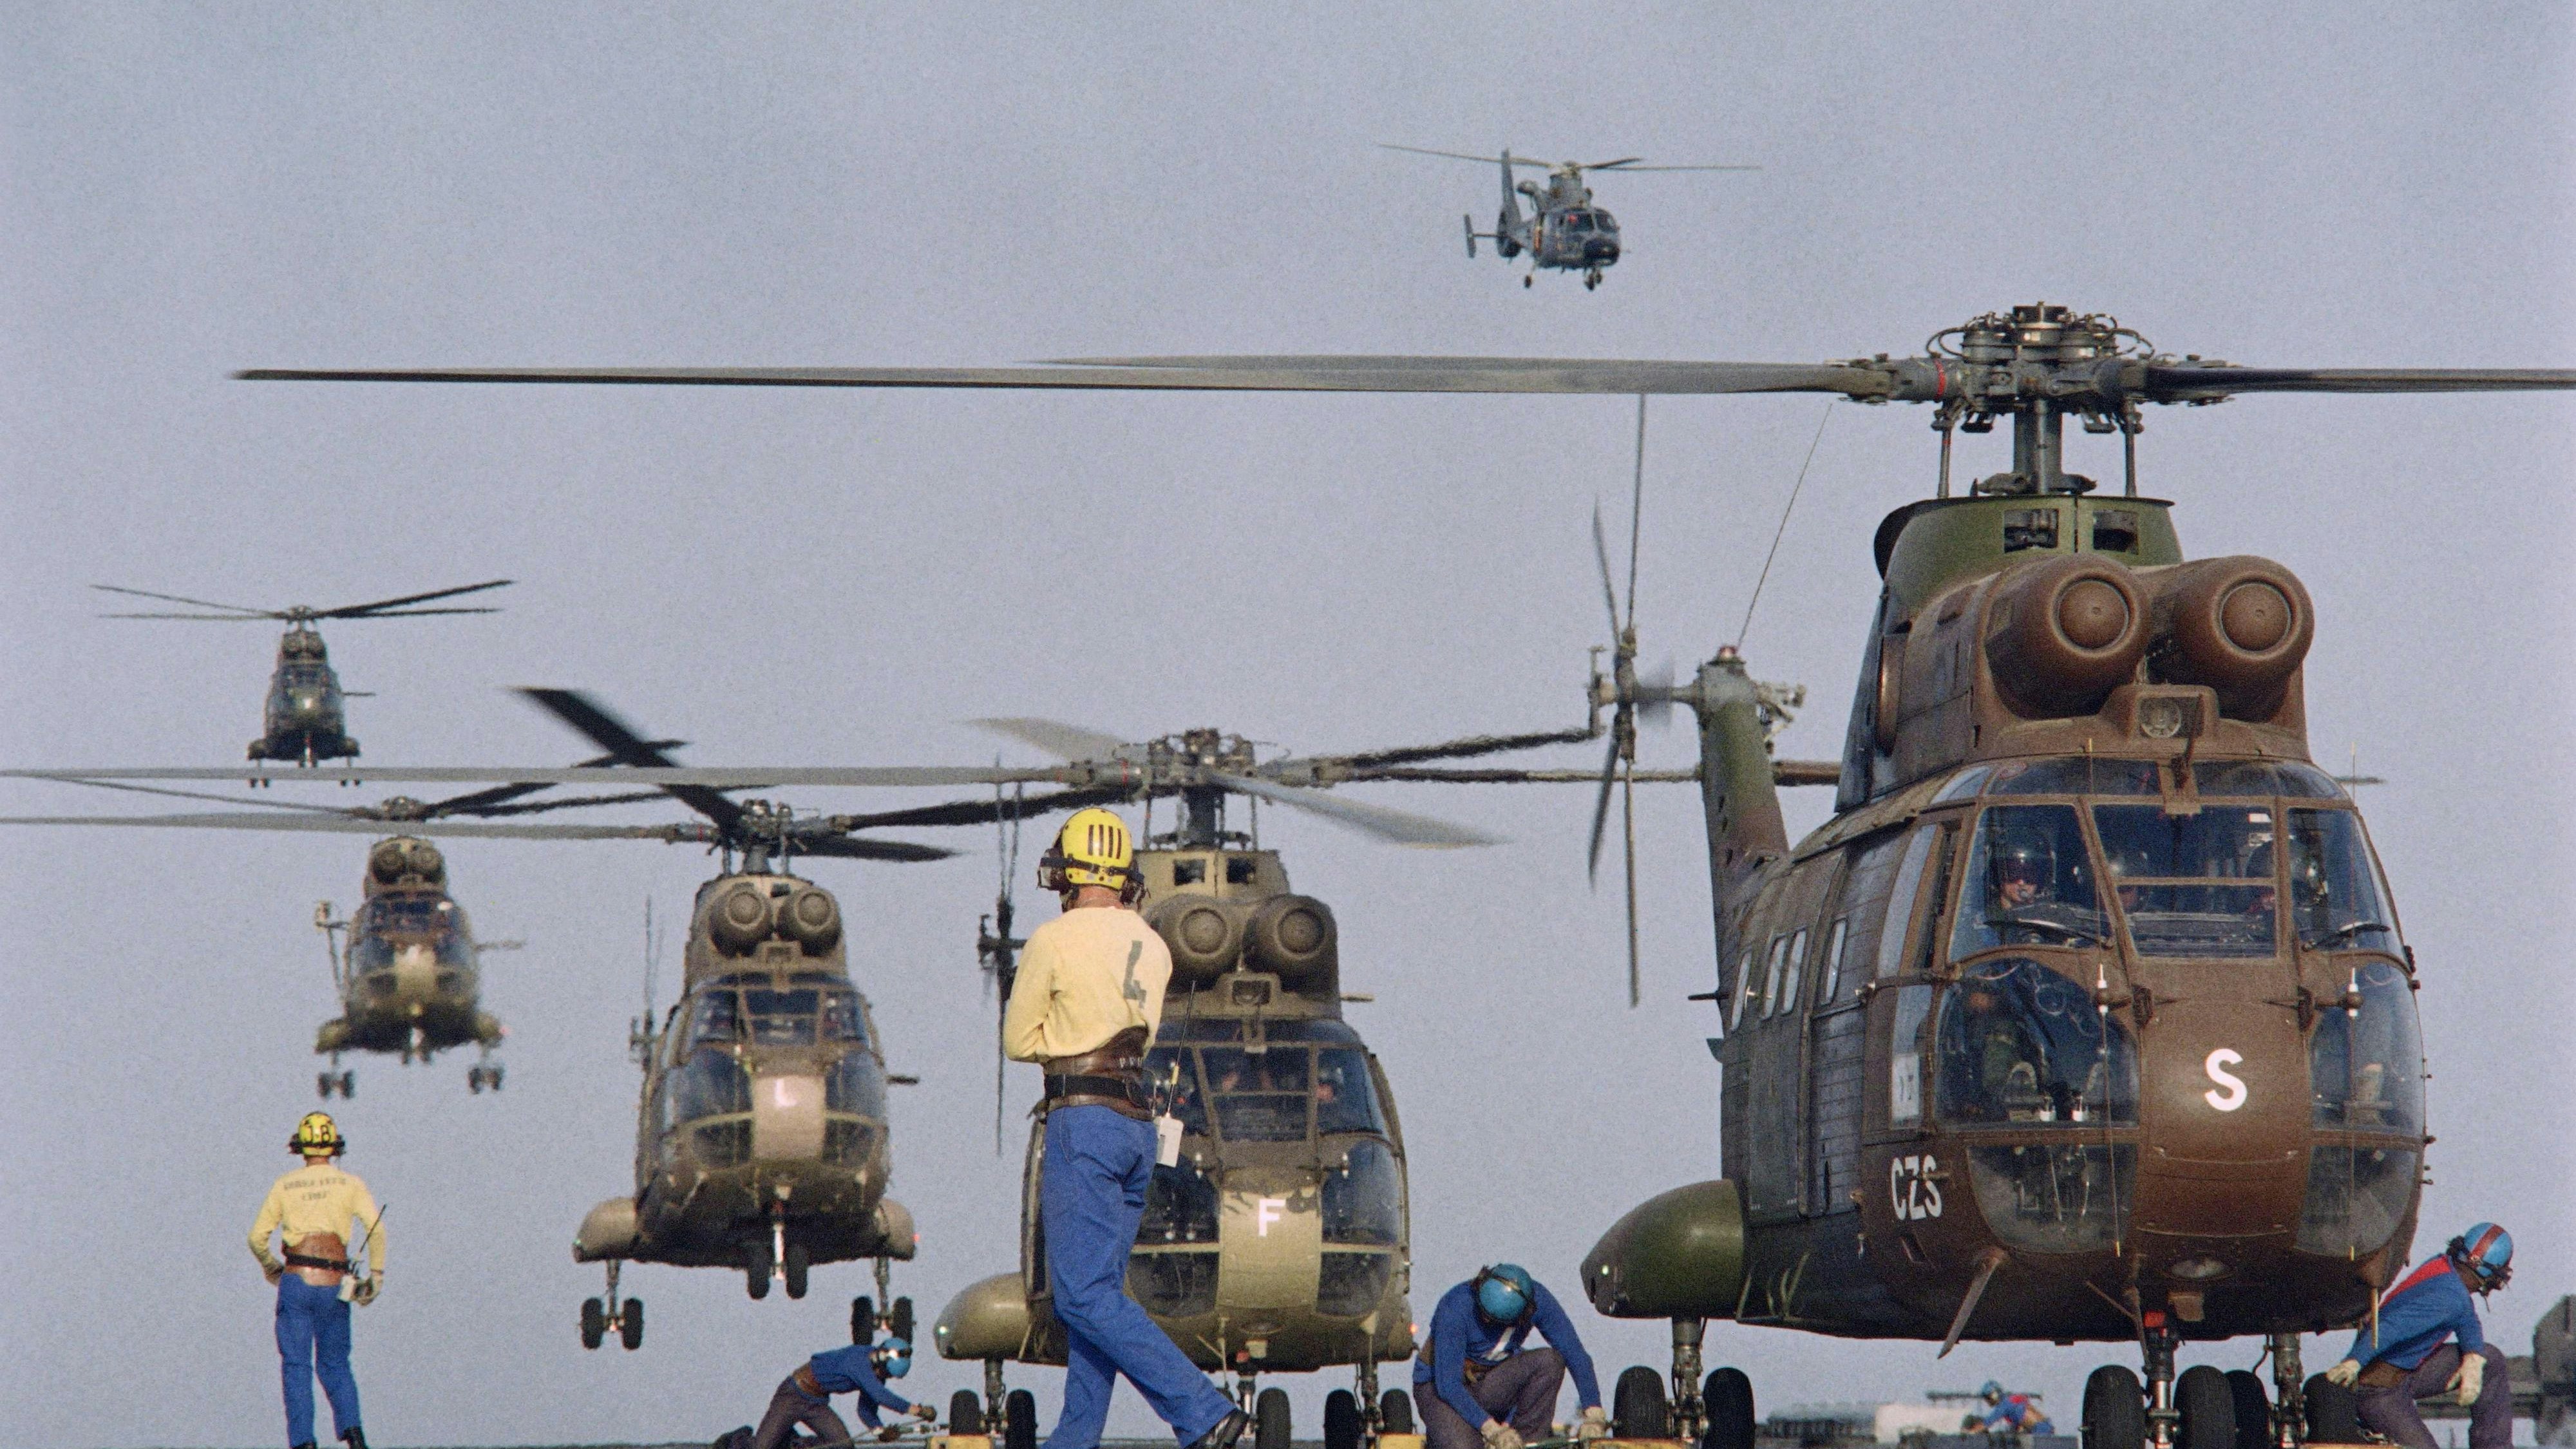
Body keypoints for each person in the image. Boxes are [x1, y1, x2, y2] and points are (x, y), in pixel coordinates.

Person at [1002, 808, 1246, 1449]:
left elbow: (1017, 1039)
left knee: (1080, 1298)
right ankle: (1073, 1440)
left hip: (1081, 1120)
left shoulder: (1054, 939)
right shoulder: (1155, 943)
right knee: (1097, 1302)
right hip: (1137, 1126)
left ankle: (1202, 1410)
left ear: (1070, 870)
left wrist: (1063, 1034)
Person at [248, 1112, 384, 1449]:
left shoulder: (285, 1185)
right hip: (335, 1282)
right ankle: (354, 1434)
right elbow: (376, 1230)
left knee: (296, 1366)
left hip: (296, 1280)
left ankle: (304, 1443)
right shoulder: (351, 1184)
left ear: (300, 1148)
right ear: (334, 1147)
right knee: (335, 1363)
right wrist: (376, 1276)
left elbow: (256, 1238)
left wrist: (272, 1268)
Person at [2324, 1222, 2515, 1449]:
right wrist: (2355, 1360)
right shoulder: (2450, 1299)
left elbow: (2467, 1318)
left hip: (2406, 1372)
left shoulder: (2443, 1267)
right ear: (2487, 1275)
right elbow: (2389, 1328)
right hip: (2378, 1391)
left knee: (2489, 1359)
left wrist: (2473, 1356)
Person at [1414, 1264, 1607, 1449]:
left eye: (1493, 1321)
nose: (1486, 1321)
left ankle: (1526, 1441)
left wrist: (1594, 1414)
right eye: (1484, 1315)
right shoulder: (1456, 1307)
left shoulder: (1538, 1300)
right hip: (1439, 1388)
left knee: (1549, 1361)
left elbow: (1575, 1354)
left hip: (1491, 1382)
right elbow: (1448, 1386)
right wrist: (1492, 1430)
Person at [723, 1336, 937, 1449]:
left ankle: (792, 1443)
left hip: (816, 1403)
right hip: (793, 1395)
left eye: (887, 1376)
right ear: (880, 1357)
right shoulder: (858, 1361)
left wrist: (879, 1431)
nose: (883, 1377)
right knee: (762, 1448)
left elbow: (866, 1409)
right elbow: (881, 1396)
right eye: (884, 1372)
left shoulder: (874, 1373)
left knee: (843, 1446)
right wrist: (917, 1411)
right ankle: (735, 1441)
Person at [1973, 1381, 2055, 1437]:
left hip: (2039, 1431)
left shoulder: (2004, 1406)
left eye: (1987, 1398)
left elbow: (1987, 1423)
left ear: (1993, 1396)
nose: (1987, 1402)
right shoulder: (2012, 1401)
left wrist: (1969, 1432)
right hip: (2047, 1427)